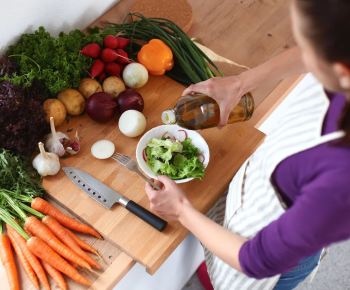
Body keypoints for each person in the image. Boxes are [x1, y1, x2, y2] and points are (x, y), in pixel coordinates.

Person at [145, 0, 350, 289]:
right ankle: (213, 272)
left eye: (308, 45)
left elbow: (258, 260)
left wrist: (180, 210)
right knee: (217, 261)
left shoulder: (341, 185)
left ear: (341, 70)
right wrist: (240, 82)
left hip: (272, 266)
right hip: (255, 198)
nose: (304, 52)